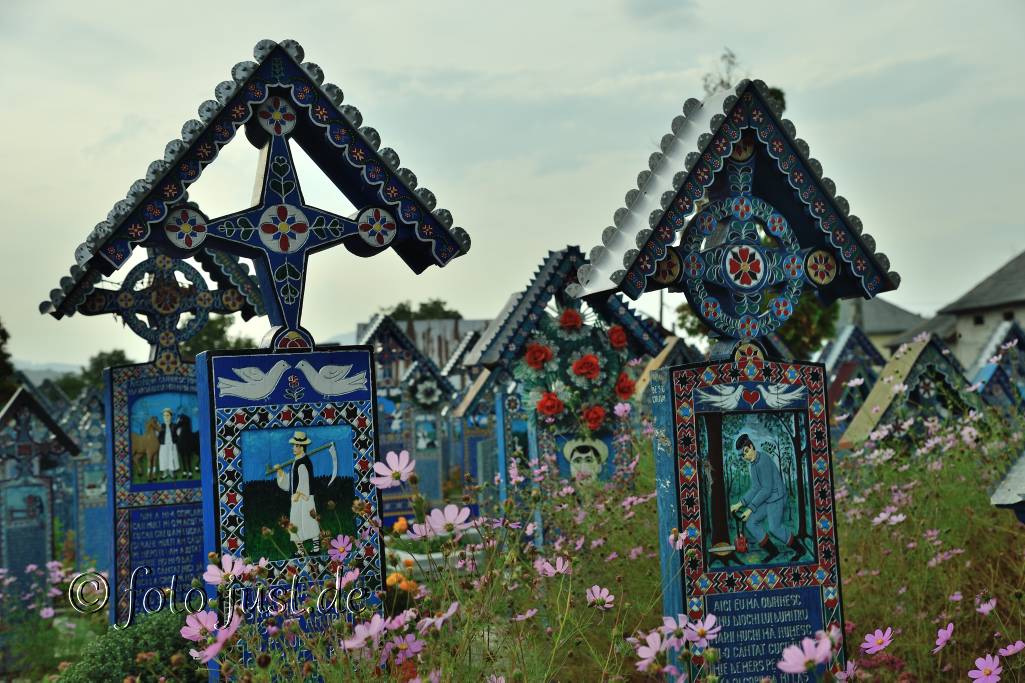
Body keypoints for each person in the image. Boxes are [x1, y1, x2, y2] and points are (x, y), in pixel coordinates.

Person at [729, 434, 805, 561]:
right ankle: (773, 551)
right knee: (751, 522)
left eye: (746, 451)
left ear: (751, 446)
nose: (745, 456)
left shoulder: (763, 460)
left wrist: (750, 509)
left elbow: (766, 489)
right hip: (766, 498)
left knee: (774, 528)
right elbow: (755, 488)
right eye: (743, 455)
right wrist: (740, 503)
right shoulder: (753, 465)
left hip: (776, 497)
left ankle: (800, 550)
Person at [274, 431, 321, 556]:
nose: (293, 448)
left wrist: (298, 494)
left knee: (309, 521)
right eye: (294, 445)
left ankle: (315, 549)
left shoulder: (303, 462)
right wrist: (280, 472)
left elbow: (304, 481)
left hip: (304, 498)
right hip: (298, 498)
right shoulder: (297, 461)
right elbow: (292, 480)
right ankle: (301, 550)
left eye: (296, 446)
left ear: (302, 447)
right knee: (296, 523)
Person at [157, 408, 181, 479]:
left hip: (172, 445)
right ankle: (165, 472)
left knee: (172, 457)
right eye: (164, 415)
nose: (166, 417)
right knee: (163, 458)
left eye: (167, 415)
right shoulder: (161, 426)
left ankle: (171, 472)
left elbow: (178, 434)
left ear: (171, 416)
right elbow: (158, 435)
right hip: (163, 445)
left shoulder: (174, 425)